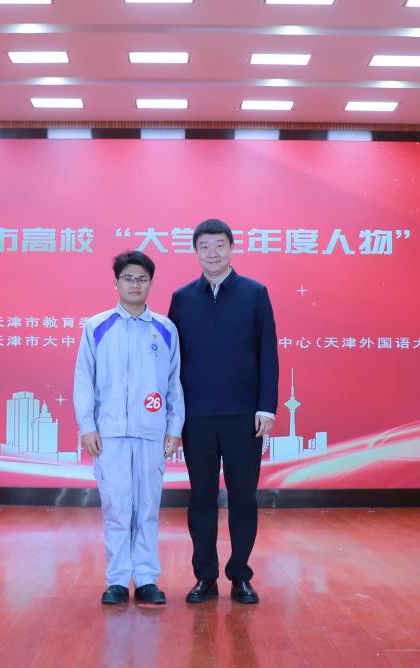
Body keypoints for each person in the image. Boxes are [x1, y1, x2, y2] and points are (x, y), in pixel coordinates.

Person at [167, 219, 279, 605]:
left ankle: (240, 575)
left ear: (231, 248)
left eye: (219, 245)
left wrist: (266, 406)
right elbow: (172, 362)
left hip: (243, 416)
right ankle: (206, 577)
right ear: (195, 251)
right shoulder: (182, 299)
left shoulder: (254, 294)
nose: (212, 253)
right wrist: (173, 415)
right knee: (201, 498)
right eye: (204, 247)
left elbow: (268, 354)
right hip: (196, 416)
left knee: (243, 498)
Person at [74, 250, 184, 606]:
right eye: (128, 278)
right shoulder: (97, 326)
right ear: (116, 283)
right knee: (117, 508)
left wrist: (174, 427)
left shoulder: (164, 329)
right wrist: (87, 425)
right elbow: (83, 380)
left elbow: (174, 383)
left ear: (151, 284)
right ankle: (118, 580)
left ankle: (147, 578)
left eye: (142, 279)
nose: (135, 285)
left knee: (148, 508)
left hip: (152, 433)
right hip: (110, 435)